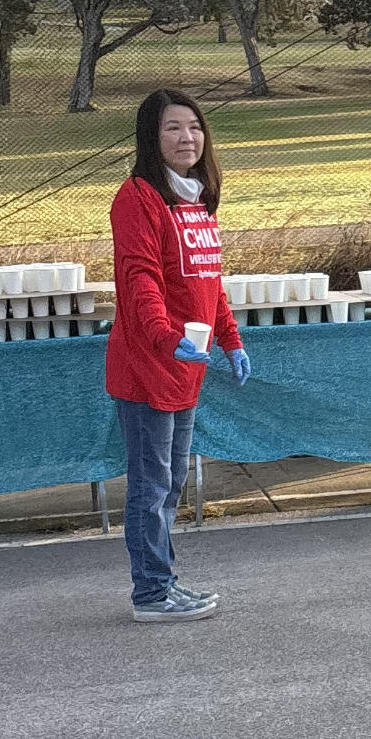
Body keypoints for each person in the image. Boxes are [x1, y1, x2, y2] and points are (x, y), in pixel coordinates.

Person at [106, 88, 253, 623]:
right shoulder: (138, 198)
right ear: (152, 137)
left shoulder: (196, 201)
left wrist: (230, 339)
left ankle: (164, 580)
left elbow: (210, 284)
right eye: (173, 128)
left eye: (194, 127)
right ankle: (150, 594)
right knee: (150, 485)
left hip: (186, 369)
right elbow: (139, 280)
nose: (187, 137)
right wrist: (166, 337)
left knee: (170, 483)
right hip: (148, 366)